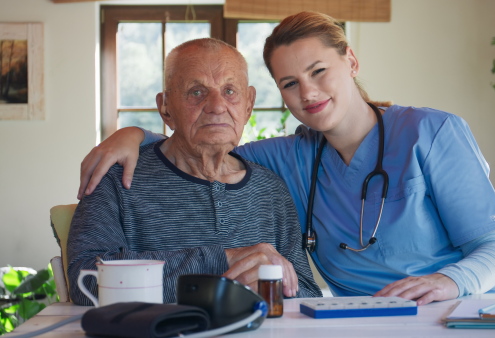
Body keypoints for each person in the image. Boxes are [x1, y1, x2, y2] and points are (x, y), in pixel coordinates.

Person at [77, 12, 495, 305]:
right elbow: (201, 143)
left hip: (471, 308)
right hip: (370, 324)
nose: (307, 92)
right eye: (290, 83)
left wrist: (449, 283)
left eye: (318, 71)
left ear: (351, 61)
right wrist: (134, 134)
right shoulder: (287, 159)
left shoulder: (431, 131)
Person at [67, 38, 322, 306]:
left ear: (248, 105)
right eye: (196, 92)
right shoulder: (117, 178)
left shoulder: (270, 189)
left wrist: (273, 285)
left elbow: (306, 294)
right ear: (165, 108)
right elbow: (84, 280)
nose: (217, 105)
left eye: (230, 91)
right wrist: (221, 260)